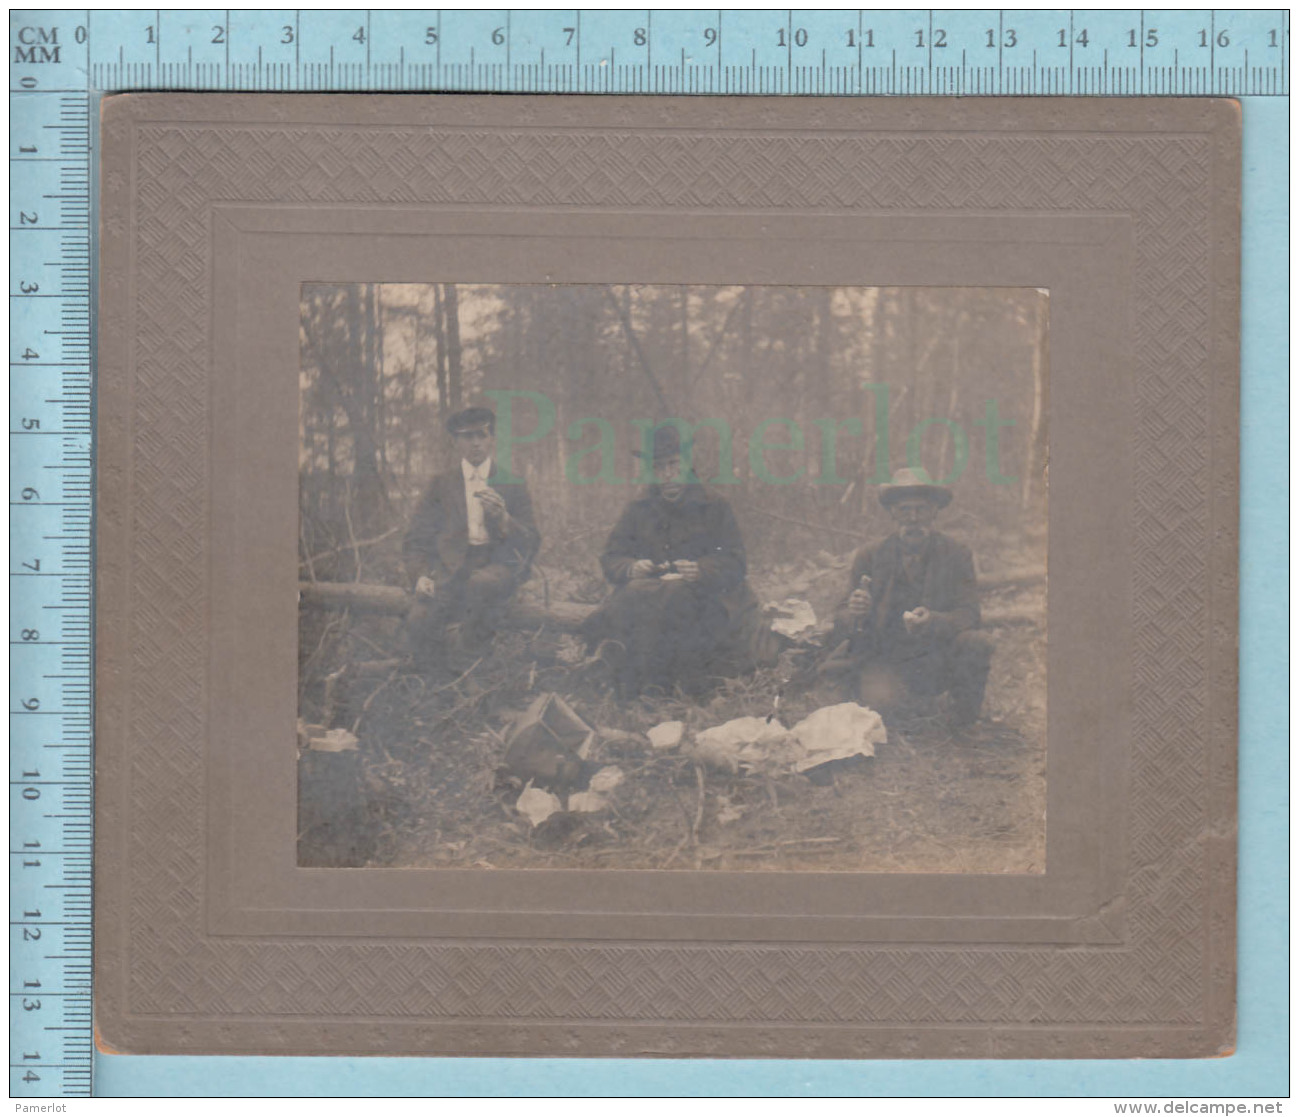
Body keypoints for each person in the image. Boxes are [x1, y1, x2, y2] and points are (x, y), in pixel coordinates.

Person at [582, 425, 754, 699]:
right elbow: (612, 557)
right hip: (651, 594)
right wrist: (631, 567)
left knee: (673, 601)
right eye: (659, 467)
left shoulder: (714, 504)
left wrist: (701, 569)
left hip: (705, 598)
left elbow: (736, 561)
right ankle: (625, 679)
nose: (667, 474)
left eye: (673, 464)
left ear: (688, 463)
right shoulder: (639, 507)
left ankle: (667, 686)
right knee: (627, 600)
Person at [824, 467, 993, 729]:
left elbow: (970, 613)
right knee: (881, 709)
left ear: (934, 511)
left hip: (937, 659)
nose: (913, 518)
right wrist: (856, 610)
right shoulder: (871, 555)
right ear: (893, 512)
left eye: (921, 509)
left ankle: (963, 724)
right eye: (904, 510)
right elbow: (842, 615)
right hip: (885, 657)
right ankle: (883, 694)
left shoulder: (956, 554)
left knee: (977, 642)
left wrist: (934, 620)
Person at [401, 405, 539, 668]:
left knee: (482, 586)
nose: (476, 443)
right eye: (467, 436)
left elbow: (532, 539)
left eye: (482, 435)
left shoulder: (512, 483)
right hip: (450, 567)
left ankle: (471, 672)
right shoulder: (441, 484)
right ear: (456, 441)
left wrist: (504, 519)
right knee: (420, 618)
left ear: (492, 439)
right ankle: (436, 686)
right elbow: (417, 537)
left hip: (497, 565)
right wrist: (419, 574)